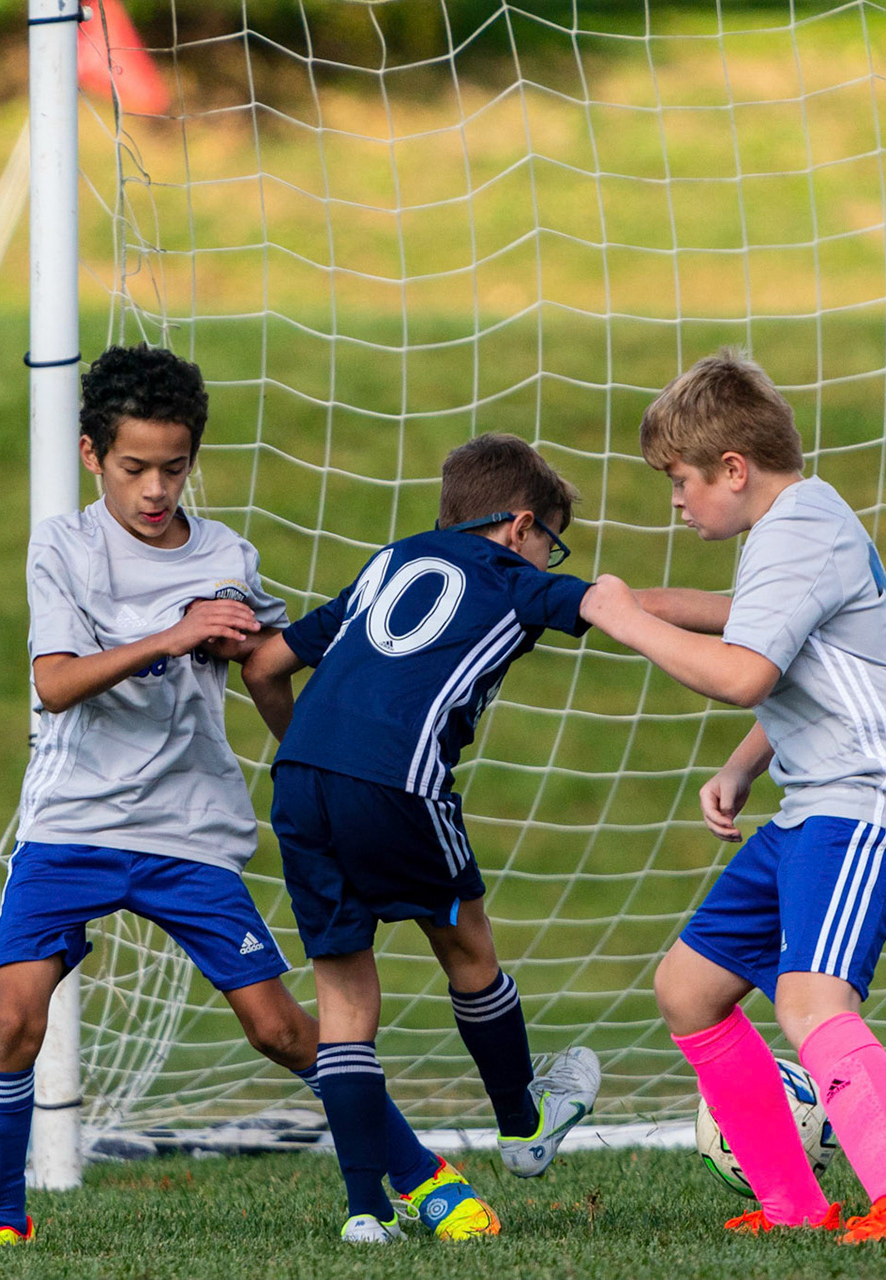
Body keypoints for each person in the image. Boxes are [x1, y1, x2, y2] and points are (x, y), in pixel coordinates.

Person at [0, 345, 432, 1247]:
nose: (154, 489)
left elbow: (266, 669)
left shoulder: (225, 555)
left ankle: (421, 1177)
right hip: (73, 826)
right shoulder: (62, 544)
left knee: (282, 1031)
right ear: (94, 455)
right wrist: (174, 635)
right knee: (13, 1021)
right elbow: (55, 683)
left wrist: (297, 729)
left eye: (174, 467)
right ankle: (0, 1220)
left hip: (189, 832)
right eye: (134, 467)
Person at [576, 348, 886, 1243]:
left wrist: (629, 619)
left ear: (734, 469)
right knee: (689, 989)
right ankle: (795, 1203)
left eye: (679, 481)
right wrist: (746, 765)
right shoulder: (790, 530)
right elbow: (792, 655)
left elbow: (749, 672)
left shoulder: (798, 529)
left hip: (872, 799)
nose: (675, 501)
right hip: (814, 803)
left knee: (809, 1001)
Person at [242, 434, 606, 1244]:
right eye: (553, 541)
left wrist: (318, 750)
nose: (552, 558)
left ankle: (366, 1212)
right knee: (467, 947)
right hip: (400, 779)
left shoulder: (390, 560)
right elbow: (599, 609)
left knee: (342, 997)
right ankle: (523, 1122)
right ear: (518, 527)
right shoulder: (512, 578)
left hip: (301, 780)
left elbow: (265, 664)